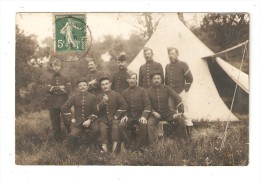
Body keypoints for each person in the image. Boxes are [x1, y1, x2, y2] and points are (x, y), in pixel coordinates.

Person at [147, 72, 189, 140]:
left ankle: (184, 142)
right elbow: (147, 104)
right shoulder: (148, 90)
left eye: (158, 78)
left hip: (167, 113)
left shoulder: (166, 88)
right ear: (152, 80)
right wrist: (153, 112)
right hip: (155, 114)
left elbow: (177, 97)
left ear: (161, 79)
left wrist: (179, 112)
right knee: (149, 123)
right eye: (154, 79)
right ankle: (152, 145)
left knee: (180, 120)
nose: (156, 80)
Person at [61, 79, 99, 149]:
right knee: (73, 135)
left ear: (87, 86)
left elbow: (95, 111)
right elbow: (64, 108)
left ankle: (87, 144)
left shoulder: (93, 97)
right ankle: (75, 148)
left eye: (84, 85)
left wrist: (89, 120)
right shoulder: (74, 97)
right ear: (78, 88)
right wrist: (71, 118)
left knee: (96, 130)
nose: (82, 87)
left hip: (91, 120)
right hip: (78, 121)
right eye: (80, 86)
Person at [165, 47, 193, 136]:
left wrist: (185, 90)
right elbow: (166, 81)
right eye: (169, 54)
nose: (170, 55)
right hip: (170, 93)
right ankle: (175, 132)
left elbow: (190, 78)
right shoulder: (167, 66)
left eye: (172, 53)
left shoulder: (183, 64)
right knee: (171, 112)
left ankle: (188, 135)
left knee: (185, 112)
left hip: (181, 92)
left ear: (177, 54)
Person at [119, 72, 151, 150]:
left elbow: (148, 105)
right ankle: (129, 146)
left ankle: (138, 147)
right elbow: (123, 106)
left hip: (139, 116)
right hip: (129, 117)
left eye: (133, 78)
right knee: (121, 125)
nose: (132, 80)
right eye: (130, 78)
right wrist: (125, 115)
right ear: (127, 80)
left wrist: (143, 116)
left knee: (143, 124)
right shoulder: (124, 92)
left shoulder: (142, 90)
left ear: (136, 80)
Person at [97, 76, 127, 153]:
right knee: (102, 128)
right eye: (103, 84)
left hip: (115, 118)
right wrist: (103, 102)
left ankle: (114, 149)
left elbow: (124, 105)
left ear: (110, 84)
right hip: (103, 119)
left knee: (115, 127)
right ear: (101, 86)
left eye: (106, 84)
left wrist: (117, 115)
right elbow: (96, 110)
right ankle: (105, 150)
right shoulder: (99, 96)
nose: (105, 86)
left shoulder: (116, 94)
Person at [45, 58, 71, 142]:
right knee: (55, 124)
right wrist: (60, 87)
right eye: (54, 66)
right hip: (52, 104)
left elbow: (68, 89)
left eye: (58, 66)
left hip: (64, 103)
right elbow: (46, 89)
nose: (56, 68)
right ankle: (57, 142)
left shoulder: (66, 78)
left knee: (68, 122)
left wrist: (53, 90)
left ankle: (70, 139)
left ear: (61, 67)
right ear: (52, 67)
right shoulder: (49, 78)